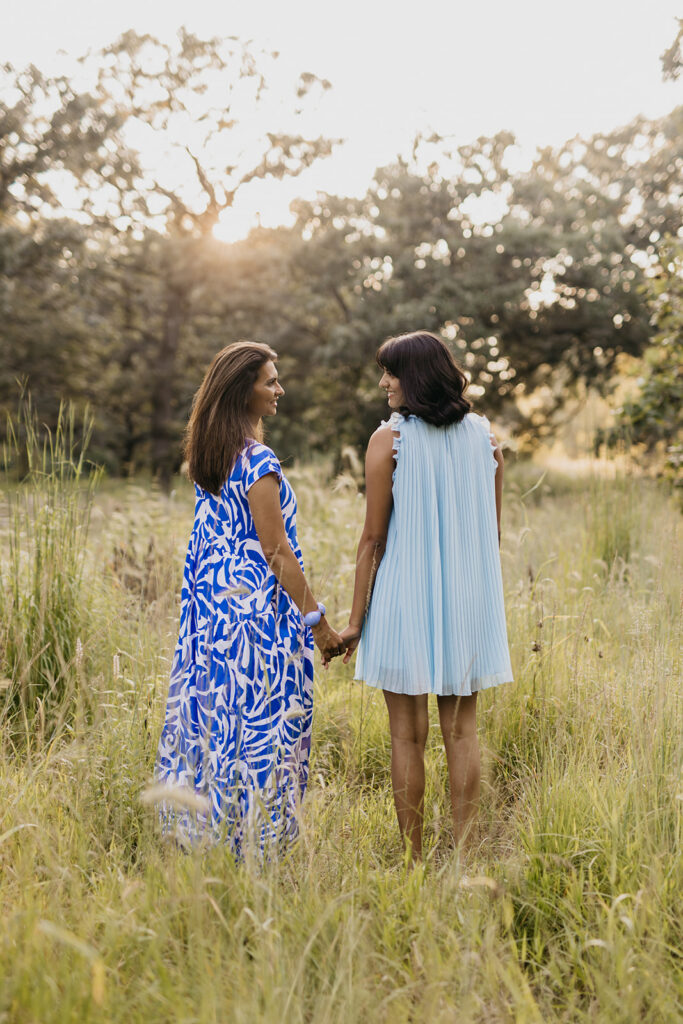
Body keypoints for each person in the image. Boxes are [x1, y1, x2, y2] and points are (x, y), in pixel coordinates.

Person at [155, 341, 344, 857]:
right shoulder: (257, 459)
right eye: (270, 381)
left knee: (219, 724)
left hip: (212, 618)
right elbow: (276, 550)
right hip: (255, 620)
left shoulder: (208, 457)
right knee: (266, 731)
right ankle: (258, 850)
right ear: (245, 390)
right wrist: (319, 624)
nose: (279, 389)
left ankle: (210, 841)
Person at [340, 331, 513, 860]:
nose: (383, 382)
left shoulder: (387, 441)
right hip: (467, 600)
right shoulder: (487, 442)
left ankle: (414, 861)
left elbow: (373, 539)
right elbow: (493, 535)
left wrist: (353, 623)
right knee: (462, 733)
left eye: (390, 372)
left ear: (414, 377)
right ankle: (465, 860)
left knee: (405, 737)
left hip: (403, 600)